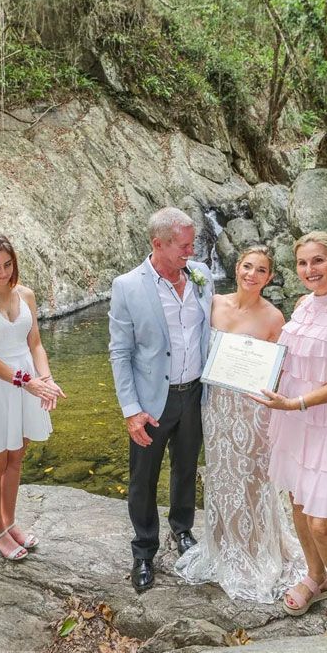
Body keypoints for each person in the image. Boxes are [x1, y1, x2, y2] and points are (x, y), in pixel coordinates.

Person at [250, 232, 327, 646]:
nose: (310, 271)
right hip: (296, 416)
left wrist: (295, 403)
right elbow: (290, 359)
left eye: (318, 261)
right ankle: (315, 577)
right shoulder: (303, 304)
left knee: (324, 521)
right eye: (303, 263)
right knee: (300, 503)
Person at [175, 246, 305, 602]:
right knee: (220, 474)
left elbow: (279, 371)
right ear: (236, 268)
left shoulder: (274, 317)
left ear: (269, 277)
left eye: (261, 270)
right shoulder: (213, 302)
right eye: (247, 266)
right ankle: (222, 546)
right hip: (215, 406)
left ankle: (255, 548)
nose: (252, 274)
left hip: (251, 410)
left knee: (252, 476)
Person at [109, 207, 213, 592]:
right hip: (153, 401)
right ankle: (143, 550)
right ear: (159, 244)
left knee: (186, 468)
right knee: (143, 479)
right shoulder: (128, 286)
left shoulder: (201, 277)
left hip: (195, 394)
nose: (192, 251)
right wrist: (131, 410)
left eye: (193, 243)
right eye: (184, 245)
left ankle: (182, 531)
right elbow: (120, 353)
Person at [0, 235, 65, 561]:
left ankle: (10, 522)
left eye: (7, 265)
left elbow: (35, 343)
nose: (2, 272)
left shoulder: (26, 295)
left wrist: (45, 379)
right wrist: (29, 382)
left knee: (17, 456)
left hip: (28, 379)